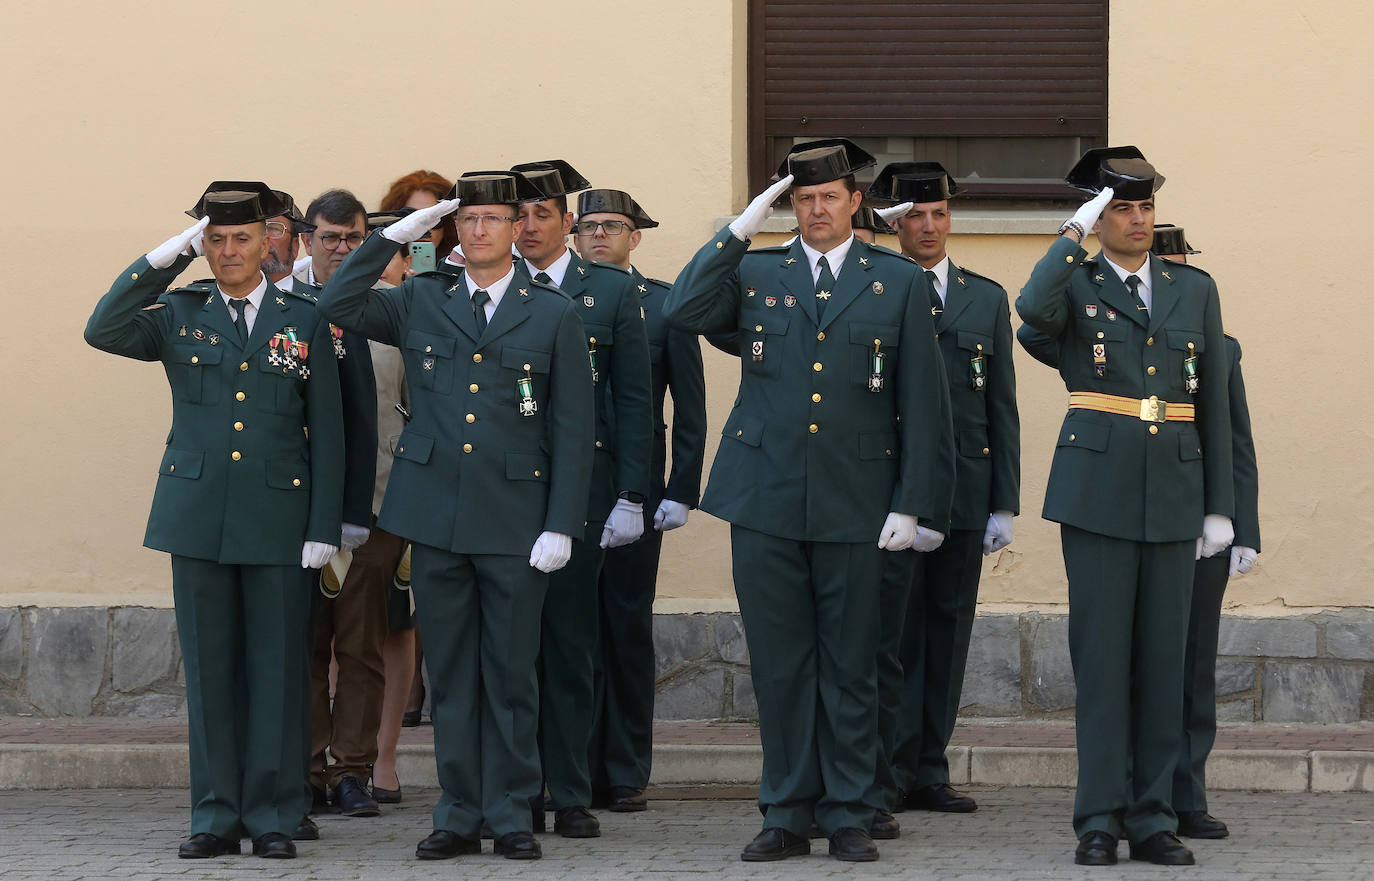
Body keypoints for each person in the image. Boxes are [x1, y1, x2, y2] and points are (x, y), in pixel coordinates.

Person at [664, 138, 952, 863]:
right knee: (780, 663)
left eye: (827, 197)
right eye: (801, 198)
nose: (814, 209)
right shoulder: (758, 273)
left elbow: (924, 404)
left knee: (853, 661)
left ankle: (850, 807)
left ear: (856, 203)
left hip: (859, 499)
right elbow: (684, 308)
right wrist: (736, 229)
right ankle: (787, 808)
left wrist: (914, 503)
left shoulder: (898, 283)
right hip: (763, 497)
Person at [316, 170, 595, 862]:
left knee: (509, 671)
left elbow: (571, 427)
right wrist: (397, 233)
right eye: (466, 220)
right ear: (453, 231)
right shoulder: (419, 300)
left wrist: (562, 521)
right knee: (454, 672)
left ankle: (508, 810)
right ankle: (458, 809)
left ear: (514, 230)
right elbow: (338, 297)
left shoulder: (553, 312)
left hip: (515, 518)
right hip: (435, 515)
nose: (478, 232)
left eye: (494, 220)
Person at [84, 181, 344, 860]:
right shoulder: (177, 310)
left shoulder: (304, 318)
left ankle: (274, 815)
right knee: (209, 672)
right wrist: (163, 258)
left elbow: (330, 432)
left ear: (270, 241)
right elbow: (103, 327)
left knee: (276, 671)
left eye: (242, 238)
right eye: (215, 238)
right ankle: (214, 814)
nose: (228, 250)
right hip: (196, 516)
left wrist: (325, 524)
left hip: (279, 517)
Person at [1015, 147, 1234, 867]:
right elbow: (1029, 311)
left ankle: (1153, 815)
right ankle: (1099, 817)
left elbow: (1212, 405)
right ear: (1096, 218)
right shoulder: (1072, 289)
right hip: (1099, 491)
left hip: (1175, 488)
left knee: (1165, 662)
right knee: (1104, 660)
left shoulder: (1191, 288)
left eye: (1144, 208)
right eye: (1120, 209)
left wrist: (1220, 506)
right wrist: (1069, 235)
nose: (1138, 221)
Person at [865, 162, 1020, 828]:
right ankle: (885, 769)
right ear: (891, 223)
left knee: (947, 633)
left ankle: (929, 767)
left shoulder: (984, 298)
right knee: (888, 637)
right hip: (894, 493)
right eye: (911, 216)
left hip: (962, 490)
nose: (926, 227)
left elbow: (1001, 406)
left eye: (938, 213)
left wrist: (1004, 501)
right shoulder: (876, 288)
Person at [511, 160, 654, 839]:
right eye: (520, 214)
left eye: (543, 214)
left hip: (585, 495)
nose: (530, 226)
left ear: (568, 224)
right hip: (502, 494)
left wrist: (633, 493)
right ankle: (514, 789)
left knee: (570, 647)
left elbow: (632, 401)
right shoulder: (483, 285)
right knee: (509, 651)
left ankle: (567, 790)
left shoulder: (609, 293)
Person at [572, 189, 708, 813]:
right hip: (572, 488)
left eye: (613, 227)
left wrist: (681, 488)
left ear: (636, 237)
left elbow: (689, 406)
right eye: (590, 226)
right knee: (570, 632)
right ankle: (572, 764)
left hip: (637, 489)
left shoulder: (663, 304)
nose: (600, 236)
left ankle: (624, 769)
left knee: (625, 627)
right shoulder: (553, 299)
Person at [293, 189, 382, 819]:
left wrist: (356, 510)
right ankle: (305, 771)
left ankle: (353, 771)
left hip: (362, 509)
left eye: (354, 239)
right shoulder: (281, 304)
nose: (342, 250)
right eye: (331, 239)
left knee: (359, 647)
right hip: (290, 510)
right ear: (306, 241)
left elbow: (367, 419)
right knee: (301, 647)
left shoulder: (372, 306)